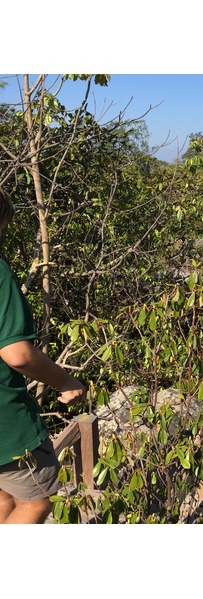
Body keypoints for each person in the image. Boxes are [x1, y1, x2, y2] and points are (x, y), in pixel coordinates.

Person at [0, 188, 86, 524]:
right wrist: (66, 380)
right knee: (37, 501)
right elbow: (17, 354)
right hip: (6, 423)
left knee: (6, 494)